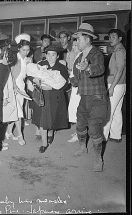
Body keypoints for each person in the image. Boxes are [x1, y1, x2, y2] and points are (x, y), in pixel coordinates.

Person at [70, 23, 107, 172]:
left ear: (87, 39)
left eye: (78, 39)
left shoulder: (96, 54)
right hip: (84, 97)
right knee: (80, 125)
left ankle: (98, 158)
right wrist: (70, 80)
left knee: (94, 129)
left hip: (97, 98)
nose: (76, 42)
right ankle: (82, 147)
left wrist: (88, 68)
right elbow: (77, 78)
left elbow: (99, 69)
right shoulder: (80, 57)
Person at [27, 45, 69, 153]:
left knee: (53, 117)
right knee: (42, 119)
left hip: (55, 96)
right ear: (45, 55)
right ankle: (44, 143)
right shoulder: (40, 65)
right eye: (48, 54)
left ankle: (51, 133)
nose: (50, 57)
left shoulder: (61, 68)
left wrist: (52, 87)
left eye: (53, 55)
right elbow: (30, 75)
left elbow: (65, 85)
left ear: (57, 56)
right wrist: (35, 80)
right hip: (42, 95)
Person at [8, 33, 32, 145]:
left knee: (17, 110)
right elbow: (10, 75)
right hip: (13, 87)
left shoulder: (27, 59)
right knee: (18, 112)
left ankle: (8, 132)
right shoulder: (14, 58)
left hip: (21, 86)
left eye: (27, 50)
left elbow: (27, 74)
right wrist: (14, 87)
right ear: (19, 48)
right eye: (23, 50)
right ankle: (20, 136)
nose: (26, 52)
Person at [103, 29, 126, 142]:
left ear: (120, 38)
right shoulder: (118, 50)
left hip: (115, 85)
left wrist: (112, 87)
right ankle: (116, 136)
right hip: (120, 84)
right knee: (116, 110)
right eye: (110, 37)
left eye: (113, 37)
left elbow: (120, 70)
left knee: (109, 110)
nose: (111, 39)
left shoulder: (119, 51)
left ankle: (103, 137)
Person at [32, 34, 52, 140]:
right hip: (38, 78)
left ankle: (49, 132)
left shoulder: (51, 52)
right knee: (38, 104)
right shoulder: (36, 52)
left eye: (48, 42)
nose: (47, 43)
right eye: (45, 41)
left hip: (47, 80)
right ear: (41, 41)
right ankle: (38, 130)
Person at [67, 38, 81, 143]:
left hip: (78, 88)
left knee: (77, 110)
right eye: (73, 46)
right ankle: (77, 131)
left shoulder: (81, 56)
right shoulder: (77, 56)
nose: (74, 48)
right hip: (74, 86)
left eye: (76, 45)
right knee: (73, 109)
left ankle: (79, 134)